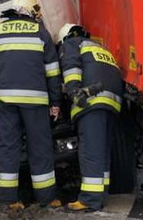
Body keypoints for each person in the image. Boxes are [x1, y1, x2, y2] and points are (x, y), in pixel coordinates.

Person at [0, 0, 62, 211]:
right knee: (40, 148)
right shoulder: (41, 34)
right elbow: (52, 72)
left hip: (7, 102)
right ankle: (46, 199)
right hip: (36, 103)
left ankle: (8, 200)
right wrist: (55, 102)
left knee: (8, 148)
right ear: (33, 12)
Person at [57, 23, 124, 212]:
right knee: (102, 151)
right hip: (112, 104)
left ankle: (89, 200)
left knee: (90, 152)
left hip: (91, 103)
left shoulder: (71, 44)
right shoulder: (99, 48)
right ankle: (101, 194)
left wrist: (73, 92)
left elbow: (71, 68)